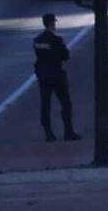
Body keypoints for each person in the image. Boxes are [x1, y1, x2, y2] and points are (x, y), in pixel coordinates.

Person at [32, 14, 78, 143]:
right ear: (52, 23)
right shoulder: (57, 40)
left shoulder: (37, 40)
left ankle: (48, 133)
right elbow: (65, 56)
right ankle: (68, 132)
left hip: (43, 74)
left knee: (45, 104)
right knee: (65, 103)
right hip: (56, 74)